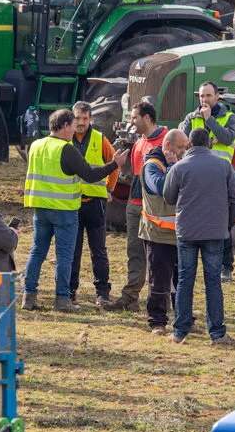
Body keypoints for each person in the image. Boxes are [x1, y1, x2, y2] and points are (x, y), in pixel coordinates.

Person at [23, 109, 126, 311]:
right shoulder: (66, 149)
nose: (74, 129)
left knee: (37, 252)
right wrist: (115, 164)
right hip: (63, 211)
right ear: (64, 126)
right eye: (72, 125)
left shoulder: (36, 145)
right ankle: (62, 299)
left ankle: (29, 296)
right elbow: (89, 174)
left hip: (40, 209)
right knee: (64, 256)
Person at [163, 126, 235, 344]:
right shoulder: (224, 166)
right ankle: (217, 333)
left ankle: (180, 331)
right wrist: (227, 224)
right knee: (213, 282)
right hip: (215, 232)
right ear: (209, 143)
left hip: (187, 232)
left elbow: (169, 197)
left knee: (185, 280)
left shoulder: (179, 168)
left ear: (189, 144)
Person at [108, 100, 165, 312]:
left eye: (134, 117)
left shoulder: (165, 140)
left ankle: (159, 299)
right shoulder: (140, 141)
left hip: (154, 207)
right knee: (134, 250)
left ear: (147, 118)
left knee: (157, 255)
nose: (131, 121)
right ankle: (130, 297)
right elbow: (135, 174)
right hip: (135, 202)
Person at [179, 82, 235, 281]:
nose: (204, 100)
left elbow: (227, 138)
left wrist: (210, 120)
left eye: (208, 96)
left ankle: (226, 266)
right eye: (202, 96)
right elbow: (181, 138)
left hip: (221, 177)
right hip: (196, 176)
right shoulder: (191, 118)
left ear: (217, 97)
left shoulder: (230, 117)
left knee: (223, 224)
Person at [68, 101, 117, 309]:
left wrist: (110, 189)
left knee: (99, 250)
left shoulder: (100, 139)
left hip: (95, 203)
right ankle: (70, 292)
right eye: (77, 118)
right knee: (73, 250)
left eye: (85, 119)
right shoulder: (64, 138)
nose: (80, 123)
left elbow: (115, 163)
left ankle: (103, 293)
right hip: (72, 203)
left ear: (91, 119)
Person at [139, 128, 185, 333]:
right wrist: (174, 167)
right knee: (159, 281)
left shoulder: (180, 164)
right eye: (181, 147)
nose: (185, 151)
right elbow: (160, 188)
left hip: (180, 235)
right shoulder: (152, 166)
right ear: (168, 147)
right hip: (158, 234)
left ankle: (184, 318)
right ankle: (157, 321)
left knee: (182, 280)